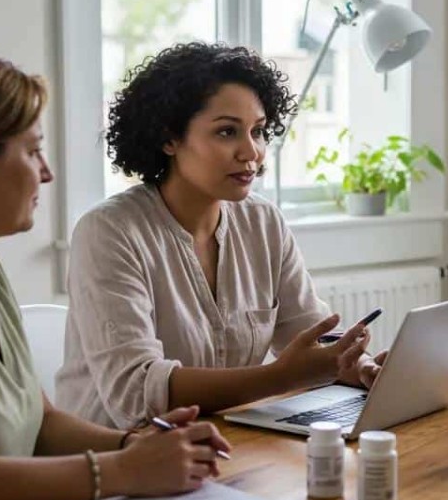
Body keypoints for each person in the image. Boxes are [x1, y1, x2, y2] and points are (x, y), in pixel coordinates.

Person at [0, 45, 230, 500]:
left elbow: (39, 425)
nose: (46, 174)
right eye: (33, 151)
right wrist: (123, 471)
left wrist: (138, 443)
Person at [54, 42, 384, 429]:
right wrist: (284, 375)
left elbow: (310, 335)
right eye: (227, 132)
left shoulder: (262, 222)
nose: (251, 152)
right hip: (118, 464)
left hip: (224, 448)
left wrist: (360, 367)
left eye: (258, 131)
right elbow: (135, 393)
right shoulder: (110, 232)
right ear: (169, 138)